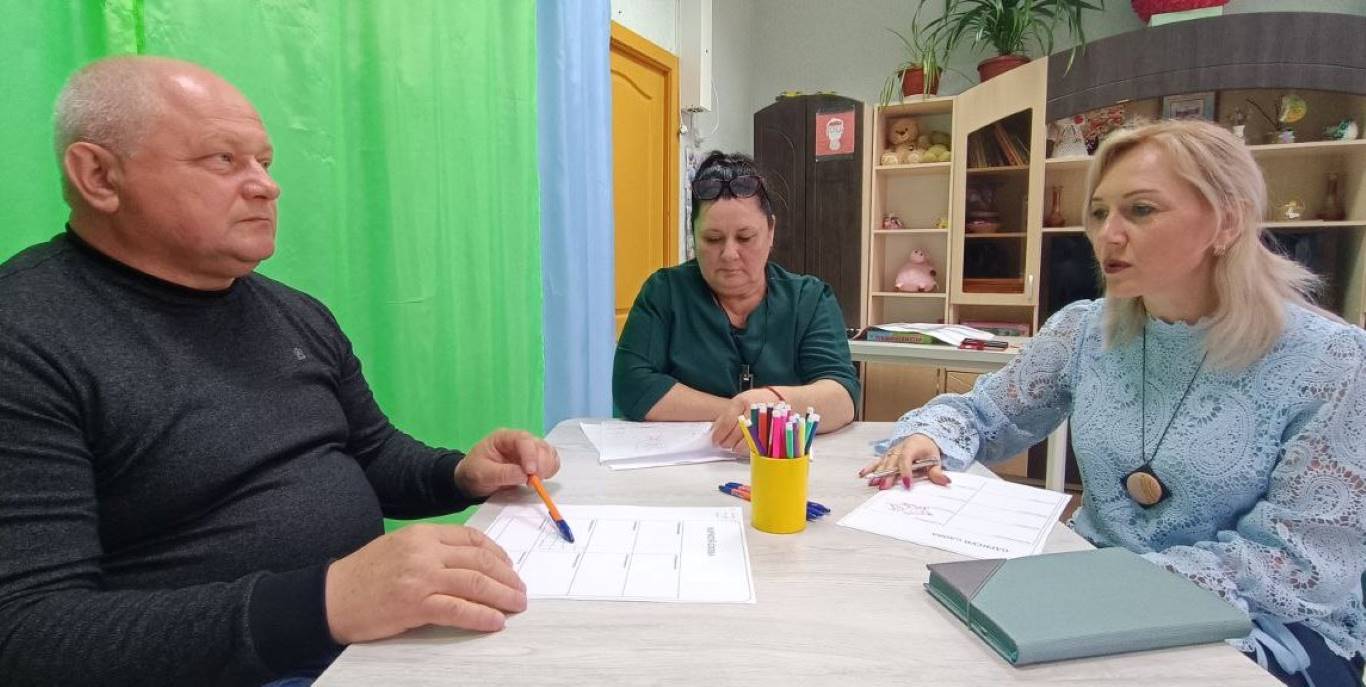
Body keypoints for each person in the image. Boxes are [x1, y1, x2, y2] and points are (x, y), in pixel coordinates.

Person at [0, 56, 561, 686]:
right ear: (100, 176)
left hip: (355, 647)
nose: (266, 187)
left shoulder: (294, 313)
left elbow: (372, 456)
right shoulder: (24, 336)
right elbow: (26, 633)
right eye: (223, 160)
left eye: (264, 163)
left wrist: (459, 474)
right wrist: (327, 601)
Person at [861, 120, 1365, 686]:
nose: (1109, 235)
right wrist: (929, 437)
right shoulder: (1084, 329)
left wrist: (1105, 586)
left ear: (1228, 221)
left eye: (1141, 210)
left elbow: (1299, 563)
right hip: (1093, 592)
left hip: (1263, 622)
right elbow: (986, 414)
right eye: (1100, 213)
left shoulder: (1331, 360)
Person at [612, 151, 859, 449]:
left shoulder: (809, 300)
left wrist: (771, 401)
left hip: (783, 466)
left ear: (770, 231)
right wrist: (746, 415)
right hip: (683, 469)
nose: (729, 254)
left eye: (745, 237)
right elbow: (631, 385)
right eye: (713, 239)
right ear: (693, 236)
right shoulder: (665, 293)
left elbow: (842, 397)